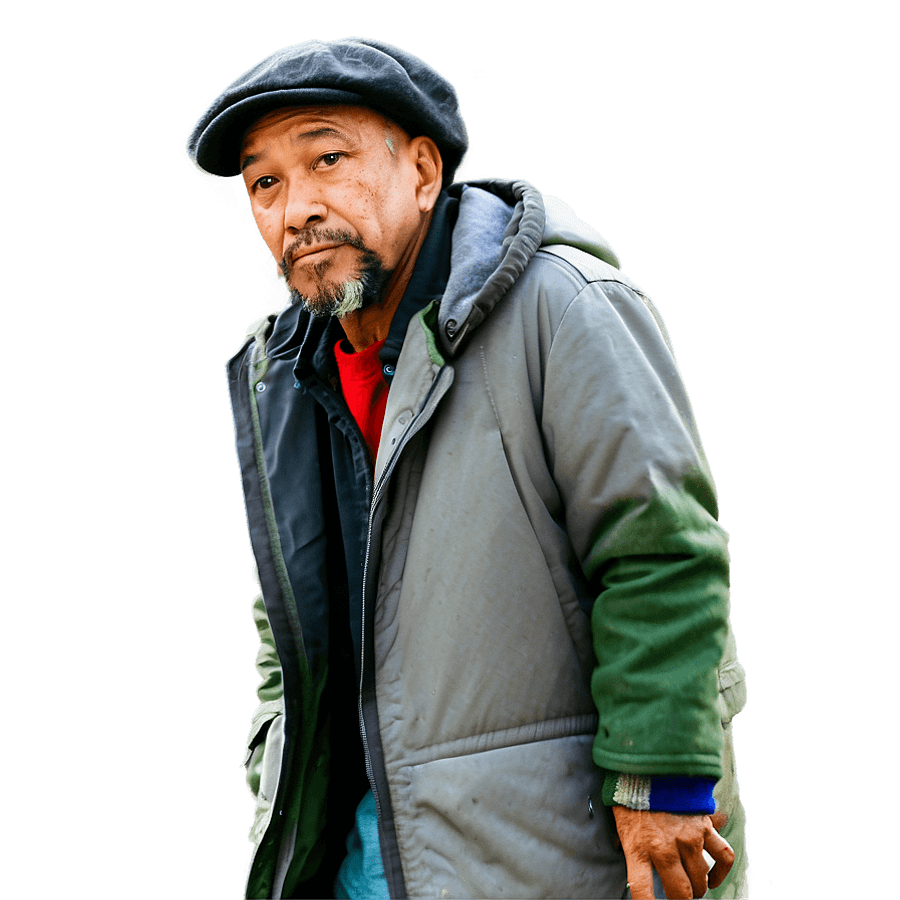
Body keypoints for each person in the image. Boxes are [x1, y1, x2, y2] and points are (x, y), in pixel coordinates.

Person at [184, 37, 749, 900]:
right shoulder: (287, 377)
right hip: (358, 857)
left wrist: (662, 779)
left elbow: (658, 553)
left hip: (550, 856)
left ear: (422, 171)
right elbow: (286, 621)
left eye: (327, 159)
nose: (296, 209)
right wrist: (275, 758)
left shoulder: (563, 307)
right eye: (265, 183)